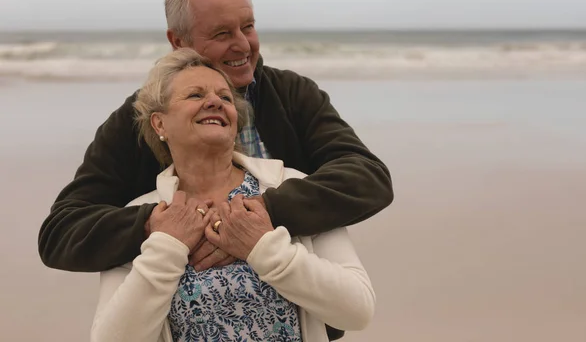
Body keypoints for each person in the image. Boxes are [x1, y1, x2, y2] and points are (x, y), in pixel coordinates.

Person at [38, 0, 392, 340]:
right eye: (222, 33)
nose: (243, 44)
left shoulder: (291, 96)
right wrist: (157, 226)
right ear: (179, 42)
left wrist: (254, 217)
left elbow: (367, 178)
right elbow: (61, 232)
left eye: (248, 27)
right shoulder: (137, 124)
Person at [91, 48, 375, 342]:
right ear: (160, 123)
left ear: (236, 122)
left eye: (225, 97)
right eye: (195, 95)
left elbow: (358, 310)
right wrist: (167, 247)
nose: (214, 102)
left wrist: (264, 248)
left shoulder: (292, 187)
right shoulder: (144, 215)